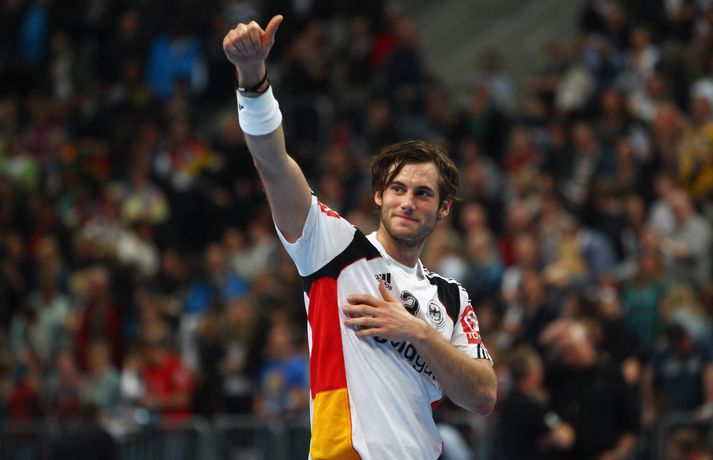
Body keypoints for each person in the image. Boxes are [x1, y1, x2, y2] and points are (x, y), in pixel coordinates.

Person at [223, 15, 497, 460]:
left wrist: (417, 332)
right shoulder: (333, 248)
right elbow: (273, 163)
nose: (408, 202)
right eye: (398, 189)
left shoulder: (451, 297)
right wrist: (252, 78)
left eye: (423, 193)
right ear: (378, 195)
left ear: (444, 208)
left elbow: (483, 395)